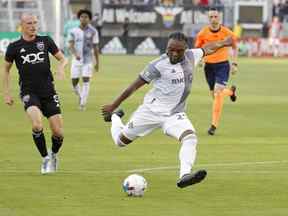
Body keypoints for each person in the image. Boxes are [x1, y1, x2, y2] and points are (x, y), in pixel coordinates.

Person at [102, 32, 233, 188]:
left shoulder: (192, 56)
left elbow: (207, 48)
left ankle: (184, 176)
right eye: (170, 49)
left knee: (190, 137)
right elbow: (133, 86)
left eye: (179, 51)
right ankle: (116, 118)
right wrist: (113, 106)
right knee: (120, 142)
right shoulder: (157, 65)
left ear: (186, 49)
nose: (174, 53)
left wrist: (224, 42)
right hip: (150, 112)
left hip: (174, 115)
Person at [3, 13, 68, 174]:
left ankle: (54, 154)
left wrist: (60, 67)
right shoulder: (14, 47)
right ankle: (45, 158)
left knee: (58, 133)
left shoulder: (45, 41)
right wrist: (6, 93)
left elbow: (63, 58)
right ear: (22, 25)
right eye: (29, 23)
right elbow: (5, 69)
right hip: (28, 92)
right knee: (37, 124)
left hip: (48, 92)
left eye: (35, 23)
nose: (33, 26)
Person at [194, 7, 238, 136]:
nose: (213, 19)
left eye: (216, 17)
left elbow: (234, 47)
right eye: (211, 17)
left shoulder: (227, 33)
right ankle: (230, 92)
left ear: (220, 18)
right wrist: (200, 60)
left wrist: (234, 63)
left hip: (223, 65)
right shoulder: (202, 34)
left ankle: (213, 126)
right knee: (215, 95)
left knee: (218, 93)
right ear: (208, 19)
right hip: (209, 67)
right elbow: (197, 49)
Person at [68, 9, 100, 111]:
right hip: (76, 60)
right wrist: (75, 54)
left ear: (89, 19)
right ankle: (81, 95)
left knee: (86, 80)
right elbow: (71, 45)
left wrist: (97, 62)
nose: (84, 18)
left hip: (88, 60)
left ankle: (82, 104)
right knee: (74, 82)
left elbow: (95, 47)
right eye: (82, 17)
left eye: (86, 17)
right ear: (79, 18)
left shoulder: (93, 31)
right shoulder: (73, 31)